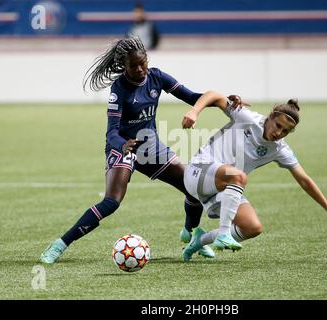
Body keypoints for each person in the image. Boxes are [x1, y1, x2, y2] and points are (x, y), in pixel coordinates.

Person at [39, 37, 243, 264]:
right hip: (124, 147)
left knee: (193, 188)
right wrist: (122, 146)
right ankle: (60, 244)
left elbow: (193, 97)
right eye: (133, 66)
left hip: (150, 146)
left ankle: (190, 233)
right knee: (111, 202)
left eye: (142, 63)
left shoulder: (156, 76)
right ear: (123, 67)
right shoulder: (119, 89)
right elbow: (111, 133)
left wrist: (225, 100)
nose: (140, 69)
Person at [181, 91, 327, 261]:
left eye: (285, 131)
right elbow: (214, 95)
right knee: (239, 176)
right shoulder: (248, 118)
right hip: (198, 171)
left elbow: (304, 179)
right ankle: (224, 233)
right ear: (271, 116)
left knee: (252, 227)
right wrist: (194, 111)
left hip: (221, 187)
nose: (279, 133)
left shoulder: (279, 149)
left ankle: (199, 241)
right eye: (278, 125)